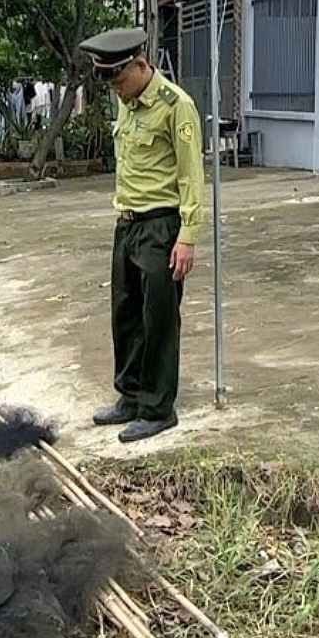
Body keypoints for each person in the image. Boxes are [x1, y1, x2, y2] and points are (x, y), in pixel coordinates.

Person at [79, 27, 205, 443]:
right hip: (128, 224)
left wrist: (187, 236)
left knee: (159, 319)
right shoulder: (127, 104)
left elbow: (190, 177)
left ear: (140, 65)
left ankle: (157, 408)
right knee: (126, 315)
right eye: (110, 83)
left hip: (161, 226)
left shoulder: (175, 106)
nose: (116, 90)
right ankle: (130, 396)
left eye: (119, 80)